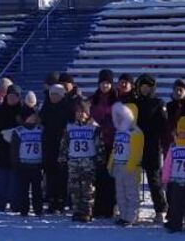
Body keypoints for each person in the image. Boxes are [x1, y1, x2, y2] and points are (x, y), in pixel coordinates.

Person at [60, 98, 105, 223]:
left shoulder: (94, 127)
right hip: (73, 162)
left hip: (88, 162)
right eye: (78, 111)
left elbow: (99, 145)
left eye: (83, 111)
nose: (80, 114)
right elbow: (64, 144)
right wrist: (62, 158)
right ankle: (77, 211)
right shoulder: (70, 127)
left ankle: (86, 211)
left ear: (87, 112)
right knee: (74, 188)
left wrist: (100, 160)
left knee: (87, 189)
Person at [133, 74, 169, 224]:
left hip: (152, 145)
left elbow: (163, 125)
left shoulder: (158, 103)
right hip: (136, 144)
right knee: (133, 179)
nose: (144, 90)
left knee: (153, 180)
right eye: (142, 87)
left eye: (147, 87)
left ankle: (160, 209)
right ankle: (132, 209)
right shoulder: (134, 103)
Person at [88, 69, 118, 219]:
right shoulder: (93, 99)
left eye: (107, 83)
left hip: (112, 142)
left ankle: (110, 207)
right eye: (102, 83)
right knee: (99, 176)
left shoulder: (117, 99)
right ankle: (98, 207)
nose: (105, 86)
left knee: (110, 175)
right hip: (97, 142)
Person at [109, 102, 145, 226]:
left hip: (130, 168)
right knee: (120, 192)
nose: (119, 119)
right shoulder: (119, 132)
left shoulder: (136, 132)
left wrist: (131, 164)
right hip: (118, 165)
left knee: (131, 192)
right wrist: (110, 163)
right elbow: (115, 149)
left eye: (122, 116)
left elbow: (136, 151)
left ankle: (132, 216)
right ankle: (123, 215)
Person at [0, 85, 23, 211]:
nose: (12, 99)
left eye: (15, 96)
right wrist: (4, 134)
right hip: (1, 149)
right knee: (1, 180)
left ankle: (16, 205)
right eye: (10, 96)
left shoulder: (22, 111)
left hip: (18, 152)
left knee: (16, 181)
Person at [8, 107, 45, 216]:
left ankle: (38, 208)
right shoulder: (18, 131)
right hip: (23, 165)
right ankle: (24, 209)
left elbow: (45, 146)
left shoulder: (40, 129)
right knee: (23, 189)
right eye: (30, 116)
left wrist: (44, 161)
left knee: (37, 189)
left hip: (37, 165)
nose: (33, 118)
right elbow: (14, 149)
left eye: (34, 116)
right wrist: (15, 162)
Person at [40, 83, 71, 213]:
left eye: (56, 95)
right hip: (49, 145)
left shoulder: (67, 108)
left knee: (62, 174)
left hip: (62, 145)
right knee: (50, 174)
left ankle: (62, 200)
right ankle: (51, 200)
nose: (53, 97)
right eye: (51, 94)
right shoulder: (46, 107)